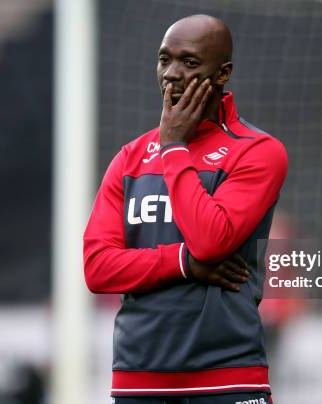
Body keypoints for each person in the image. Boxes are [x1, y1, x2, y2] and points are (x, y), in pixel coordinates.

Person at [84, 14, 287, 404]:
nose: (171, 74)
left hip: (227, 377)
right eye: (164, 59)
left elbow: (211, 242)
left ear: (223, 73)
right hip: (138, 379)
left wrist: (174, 147)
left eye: (190, 63)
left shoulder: (258, 151)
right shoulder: (129, 159)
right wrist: (183, 263)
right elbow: (97, 267)